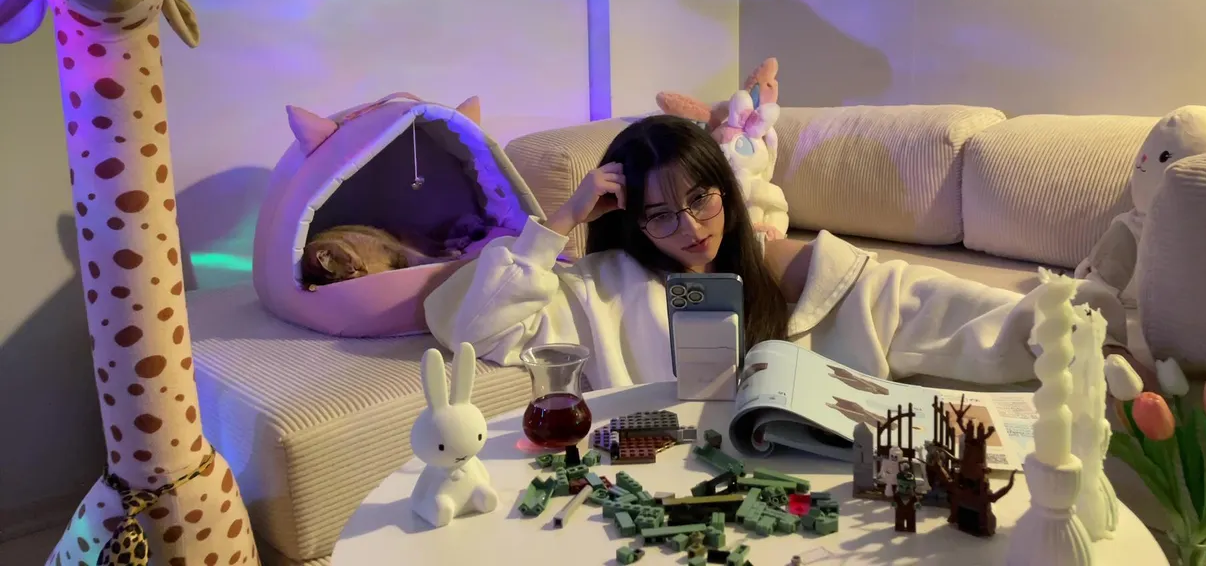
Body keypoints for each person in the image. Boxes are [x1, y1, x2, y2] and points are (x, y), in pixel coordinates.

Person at [424, 115, 1123, 391]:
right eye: (660, 215)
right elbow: (481, 328)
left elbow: (898, 296)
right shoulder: (599, 284)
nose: (691, 227)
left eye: (701, 199)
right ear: (632, 221)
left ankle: (1066, 327)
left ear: (725, 190)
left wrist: (1054, 322)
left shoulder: (760, 257)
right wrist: (560, 221)